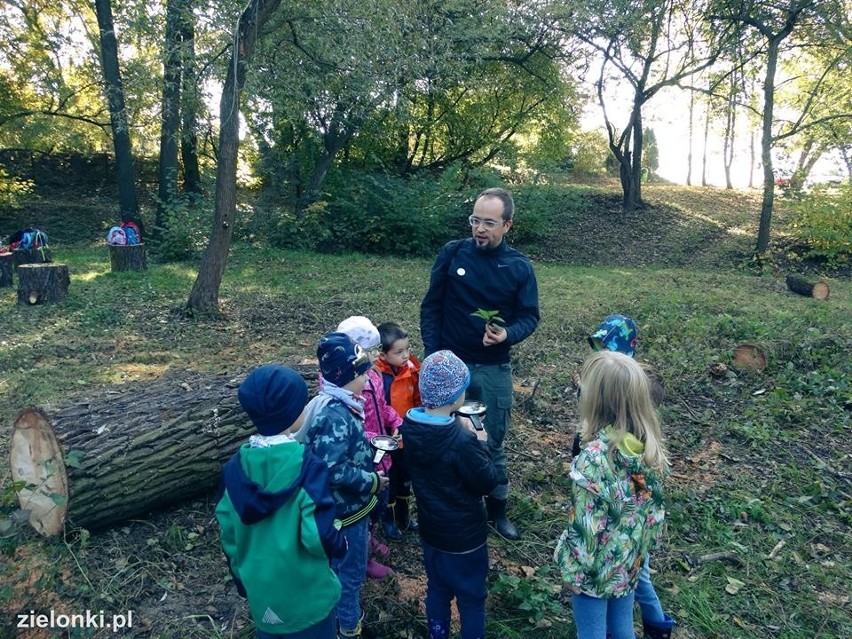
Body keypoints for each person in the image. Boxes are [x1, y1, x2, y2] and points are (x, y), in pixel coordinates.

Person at [420, 187, 539, 540]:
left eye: (489, 222)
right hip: (449, 364)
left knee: (492, 442)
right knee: (443, 437)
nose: (480, 229)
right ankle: (452, 505)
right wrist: (434, 354)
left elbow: (529, 316)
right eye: (475, 220)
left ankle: (497, 512)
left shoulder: (518, 267)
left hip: (492, 369)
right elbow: (431, 307)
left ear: (507, 225)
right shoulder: (452, 253)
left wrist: (508, 335)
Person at [215, 364, 348, 639]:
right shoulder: (308, 468)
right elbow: (317, 536)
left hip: (264, 599)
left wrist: (243, 582)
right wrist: (341, 544)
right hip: (310, 601)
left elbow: (228, 537)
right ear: (294, 414)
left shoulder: (232, 472)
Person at [570, 314, 674, 639]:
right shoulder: (649, 449)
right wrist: (635, 551)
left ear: (593, 400)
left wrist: (573, 568)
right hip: (627, 560)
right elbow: (654, 515)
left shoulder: (594, 459)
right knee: (622, 627)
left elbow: (584, 527)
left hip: (595, 569)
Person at [402, 350, 499, 639]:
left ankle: (437, 633)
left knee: (437, 589)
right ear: (456, 396)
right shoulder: (462, 440)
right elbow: (486, 482)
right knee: (471, 598)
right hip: (465, 539)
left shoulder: (411, 427)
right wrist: (481, 443)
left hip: (432, 533)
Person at [301, 332, 390, 639]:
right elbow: (333, 469)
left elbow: (337, 447)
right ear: (346, 376)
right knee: (349, 575)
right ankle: (348, 626)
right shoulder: (336, 414)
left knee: (341, 570)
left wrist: (364, 443)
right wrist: (372, 481)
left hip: (346, 510)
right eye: (362, 373)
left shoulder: (340, 404)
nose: (367, 379)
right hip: (346, 514)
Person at [336, 315, 398, 579]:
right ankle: (363, 557)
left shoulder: (371, 375)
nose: (372, 358)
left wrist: (395, 421)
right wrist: (375, 438)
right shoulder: (343, 383)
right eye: (366, 351)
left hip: (382, 456)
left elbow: (381, 407)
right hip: (363, 460)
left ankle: (370, 539)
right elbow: (352, 426)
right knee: (366, 507)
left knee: (379, 503)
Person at [373, 321, 422, 540]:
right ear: (383, 355)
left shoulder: (412, 370)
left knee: (406, 477)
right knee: (390, 479)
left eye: (407, 349)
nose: (405, 355)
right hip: (388, 437)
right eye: (399, 352)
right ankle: (388, 519)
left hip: (408, 435)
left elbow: (419, 399)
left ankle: (404, 515)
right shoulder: (377, 375)